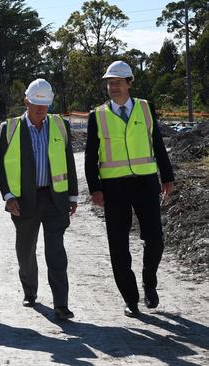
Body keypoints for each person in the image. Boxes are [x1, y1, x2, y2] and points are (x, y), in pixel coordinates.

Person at [85, 61, 175, 318]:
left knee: (155, 239)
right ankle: (130, 298)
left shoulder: (146, 109)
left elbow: (157, 143)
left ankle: (149, 281)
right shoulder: (98, 116)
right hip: (114, 187)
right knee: (118, 245)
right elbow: (90, 156)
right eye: (110, 83)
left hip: (146, 183)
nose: (113, 87)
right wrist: (95, 188)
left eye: (117, 82)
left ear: (129, 83)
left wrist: (167, 176)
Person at [0, 79, 78, 321]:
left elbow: (69, 162)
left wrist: (72, 195)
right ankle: (30, 292)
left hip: (54, 200)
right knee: (26, 251)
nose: (41, 109)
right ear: (26, 102)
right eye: (36, 104)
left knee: (56, 253)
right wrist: (8, 196)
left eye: (45, 104)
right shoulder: (9, 129)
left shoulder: (60, 126)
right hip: (24, 201)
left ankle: (61, 305)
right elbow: (0, 166)